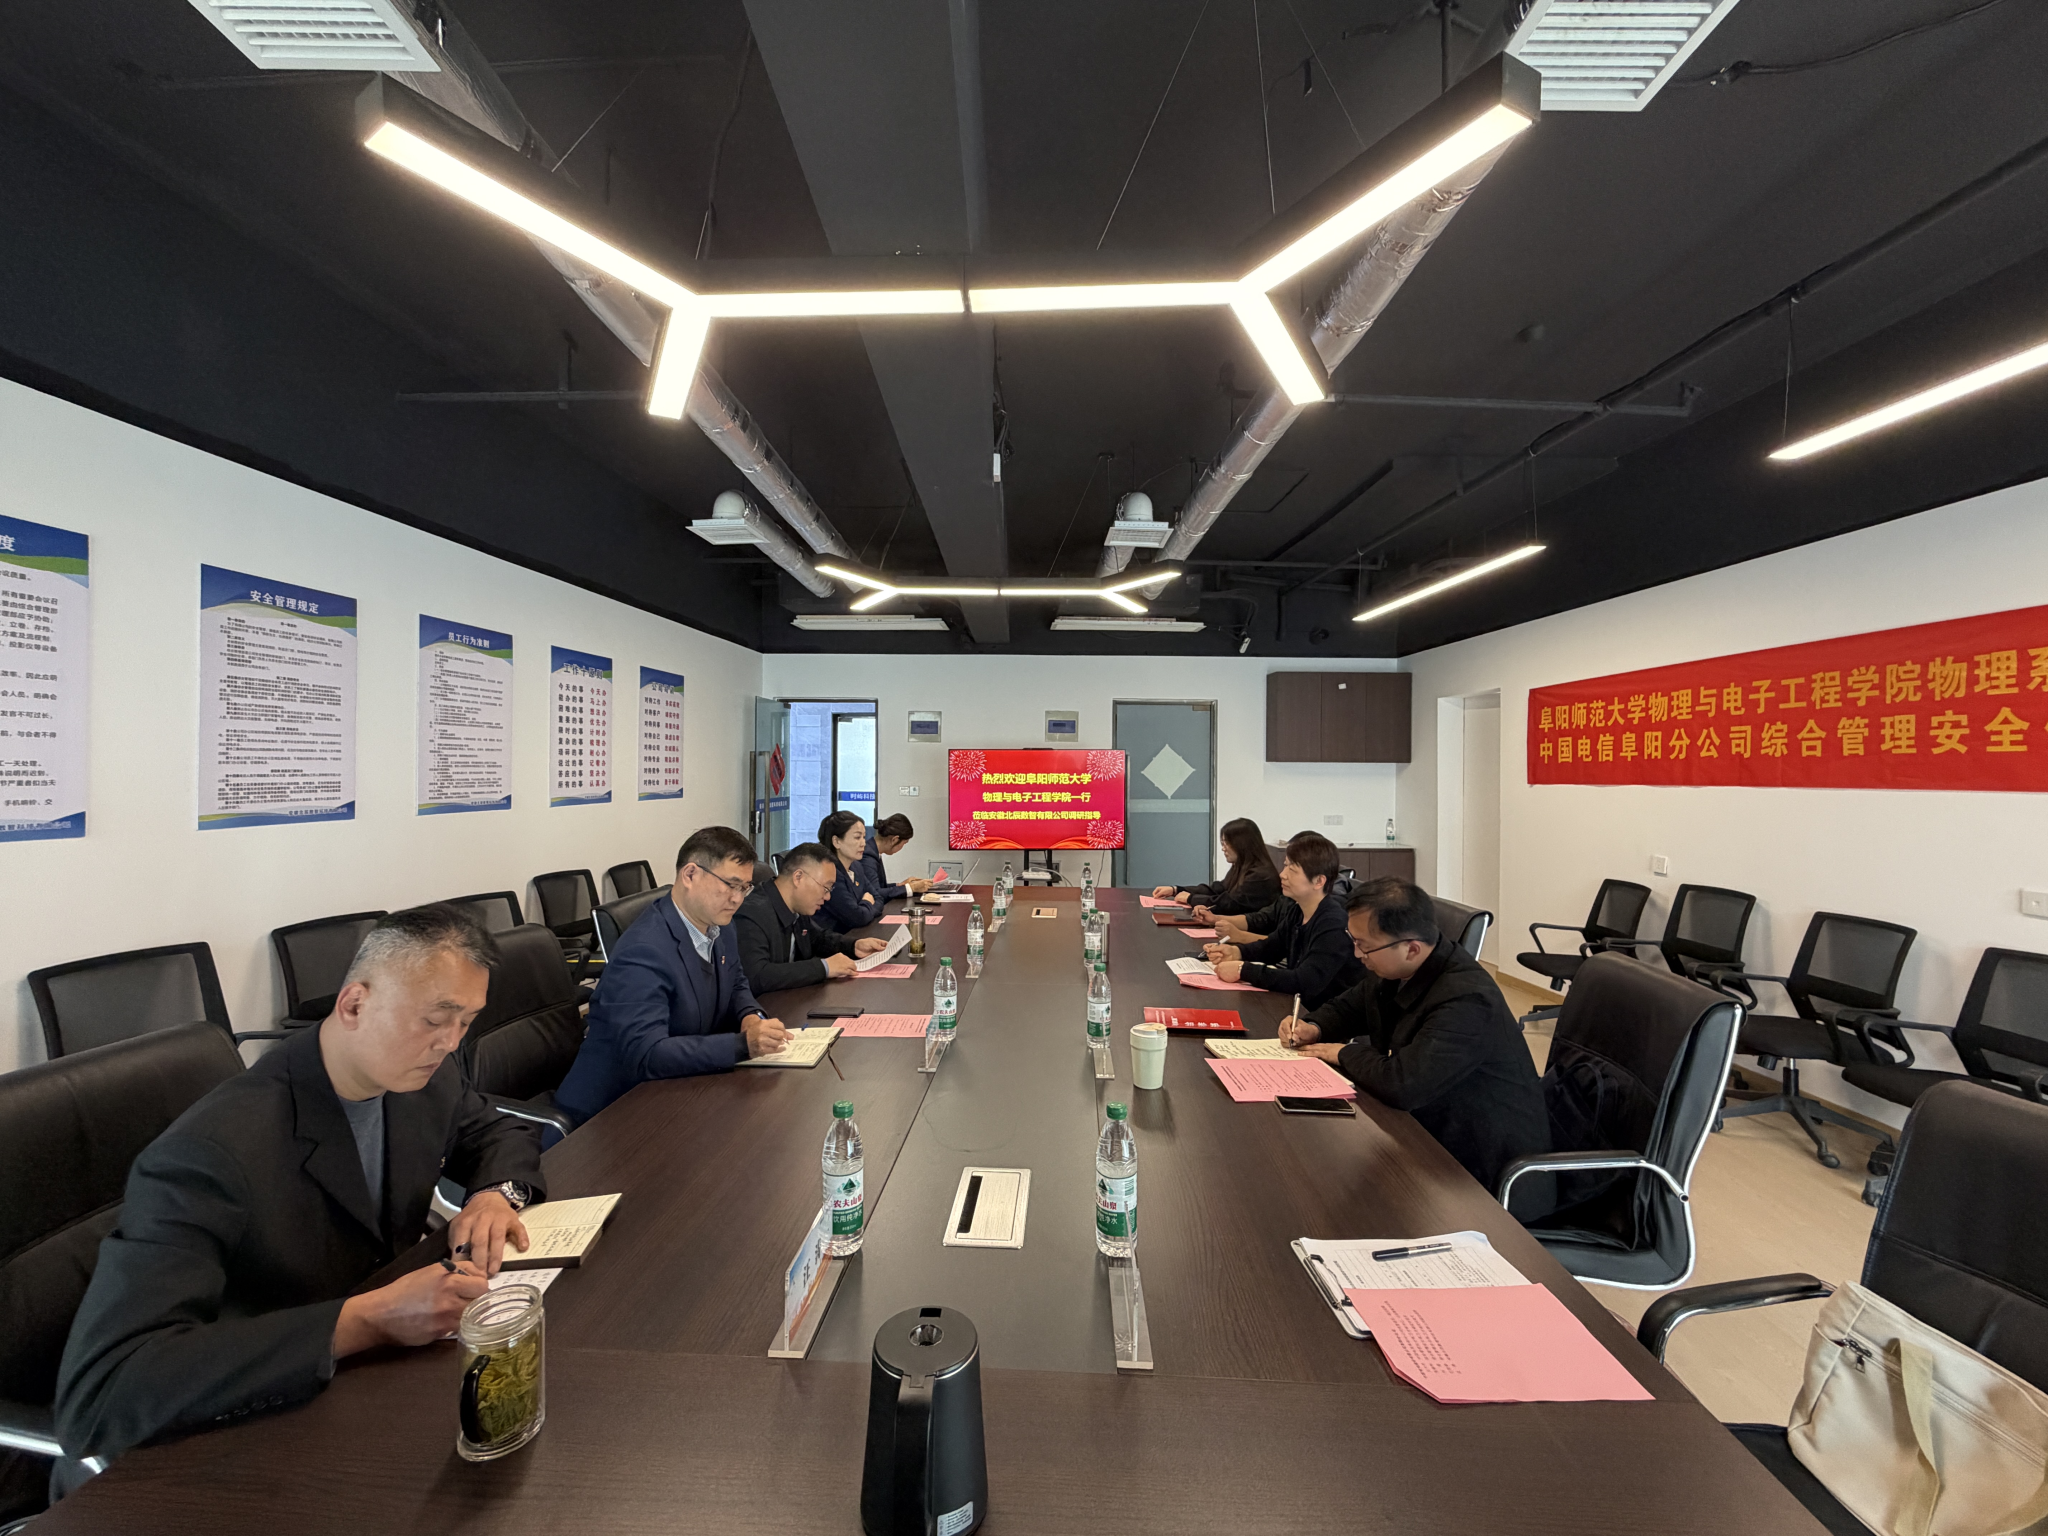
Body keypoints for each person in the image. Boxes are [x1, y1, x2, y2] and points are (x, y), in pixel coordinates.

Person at [54, 905, 545, 1488]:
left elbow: (495, 1131)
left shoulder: (422, 1077)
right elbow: (104, 1391)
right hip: (240, 1433)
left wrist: (492, 1196)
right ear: (354, 1004)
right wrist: (366, 1319)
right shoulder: (210, 1152)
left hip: (370, 1395)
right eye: (436, 1019)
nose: (450, 1043)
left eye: (467, 1021)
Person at [1285, 878, 1548, 1191]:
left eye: (1364, 945)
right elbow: (1351, 1007)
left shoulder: (1467, 998)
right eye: (1352, 940)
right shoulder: (1396, 967)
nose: (1356, 954)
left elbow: (1403, 1084)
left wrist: (1343, 1053)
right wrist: (1313, 1026)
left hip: (1482, 1171)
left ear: (1411, 948)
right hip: (1429, 1134)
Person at [554, 826, 791, 1125]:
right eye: (731, 885)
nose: (737, 899)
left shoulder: (722, 926)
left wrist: (750, 1016)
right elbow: (647, 1053)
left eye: (744, 888)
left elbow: (736, 983)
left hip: (677, 1091)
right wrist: (742, 1045)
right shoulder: (643, 950)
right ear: (690, 875)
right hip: (610, 1114)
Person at [1201, 831, 1363, 1009]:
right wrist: (1236, 952)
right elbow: (1272, 947)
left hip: (1324, 1015)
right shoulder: (1298, 911)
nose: (1282, 875)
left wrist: (1243, 970)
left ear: (1319, 881)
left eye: (1292, 870)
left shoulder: (1333, 923)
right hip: (1299, 1008)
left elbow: (1304, 982)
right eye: (1285, 866)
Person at [735, 841, 892, 994]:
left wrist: (853, 946)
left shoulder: (797, 907)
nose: (828, 897)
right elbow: (757, 976)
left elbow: (817, 938)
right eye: (825, 888)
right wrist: (824, 967)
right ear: (798, 877)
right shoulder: (751, 914)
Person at [1151, 817, 1280, 918]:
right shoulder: (1241, 866)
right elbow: (1217, 889)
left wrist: (1191, 898)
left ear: (1241, 844)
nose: (1223, 849)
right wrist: (1177, 890)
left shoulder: (1260, 875)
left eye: (1226, 843)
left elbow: (1230, 904)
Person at [814, 810, 884, 933]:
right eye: (857, 837)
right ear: (836, 842)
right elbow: (857, 918)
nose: (863, 843)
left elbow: (878, 898)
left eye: (863, 837)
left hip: (857, 934)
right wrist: (867, 902)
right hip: (835, 939)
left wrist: (864, 909)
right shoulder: (830, 873)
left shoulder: (856, 866)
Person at [862, 813, 932, 903]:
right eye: (904, 843)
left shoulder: (873, 851)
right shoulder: (868, 855)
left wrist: (901, 885)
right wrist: (911, 888)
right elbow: (875, 893)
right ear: (894, 839)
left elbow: (879, 886)